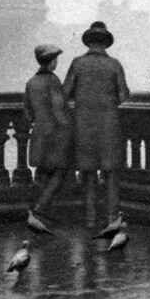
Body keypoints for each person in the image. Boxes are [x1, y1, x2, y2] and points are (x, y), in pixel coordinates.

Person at [62, 21, 131, 227]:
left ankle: (90, 218)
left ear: (89, 42)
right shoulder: (115, 64)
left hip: (84, 125)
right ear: (105, 43)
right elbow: (123, 95)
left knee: (88, 173)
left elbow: (65, 93)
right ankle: (111, 218)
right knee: (111, 174)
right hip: (109, 125)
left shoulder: (77, 63)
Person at [25, 44, 73, 216]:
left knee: (43, 171)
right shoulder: (53, 80)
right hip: (55, 134)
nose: (56, 63)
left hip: (39, 133)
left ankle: (39, 208)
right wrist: (70, 128)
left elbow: (28, 114)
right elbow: (59, 109)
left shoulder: (31, 82)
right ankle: (41, 206)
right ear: (51, 62)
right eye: (55, 60)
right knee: (60, 171)